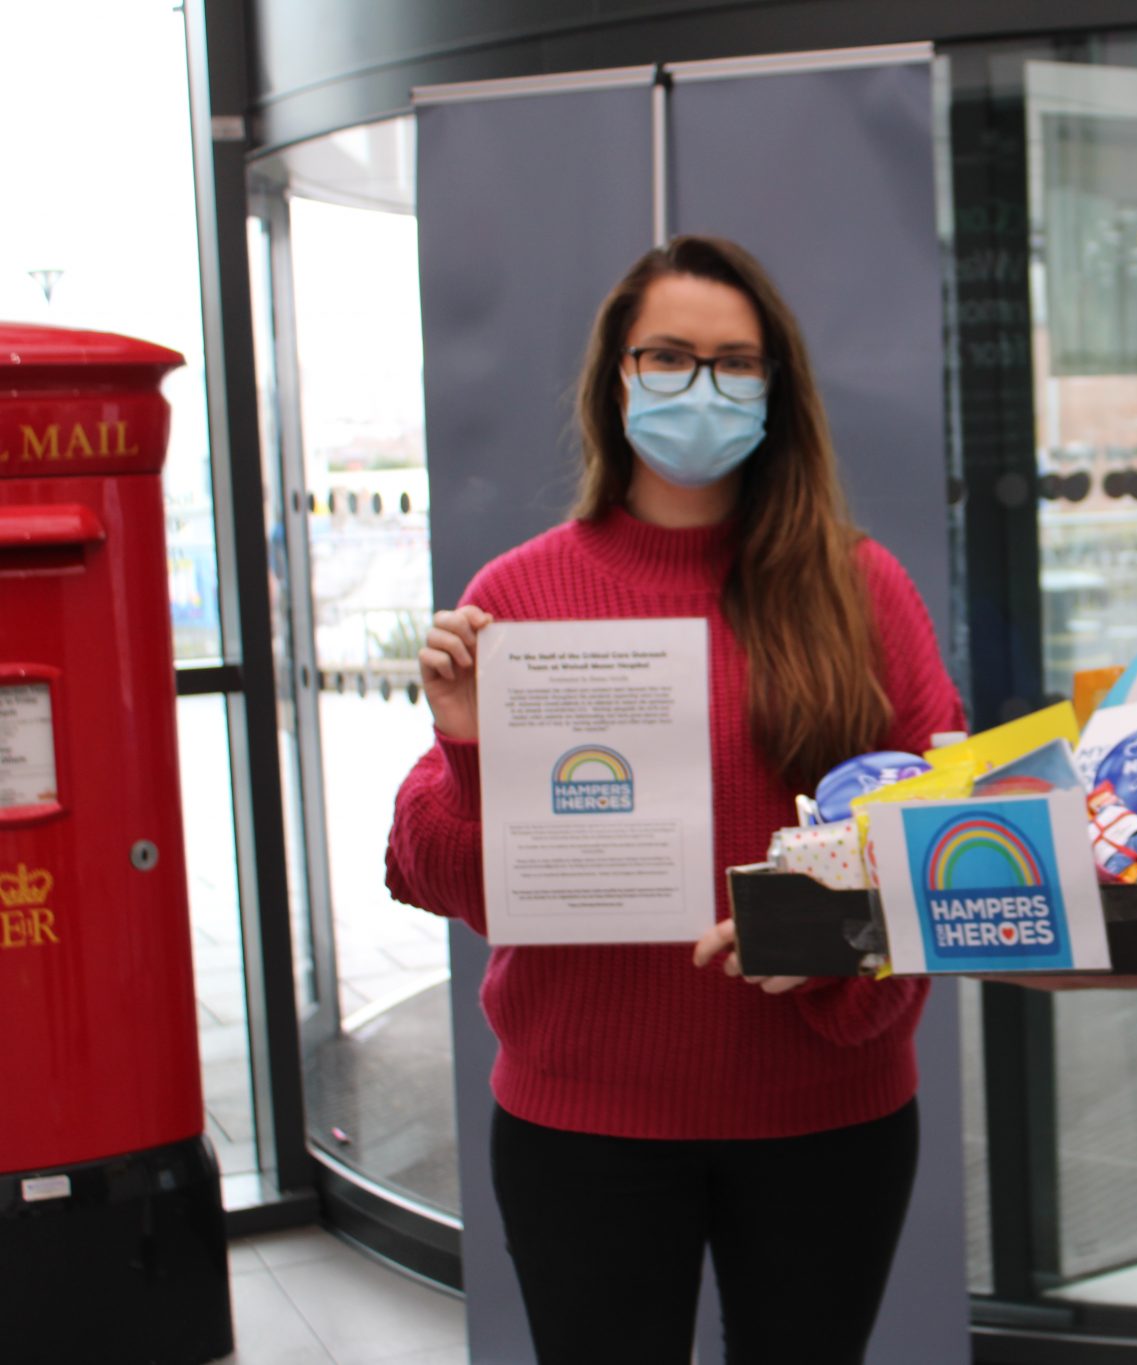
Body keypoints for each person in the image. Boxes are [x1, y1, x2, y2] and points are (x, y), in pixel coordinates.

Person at [384, 235, 962, 1364]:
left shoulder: (859, 586)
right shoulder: (517, 596)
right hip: (582, 1127)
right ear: (616, 378)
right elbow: (442, 877)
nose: (701, 387)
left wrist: (839, 938)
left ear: (776, 388)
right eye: (668, 357)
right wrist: (464, 746)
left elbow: (950, 838)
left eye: (736, 363)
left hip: (825, 1111)